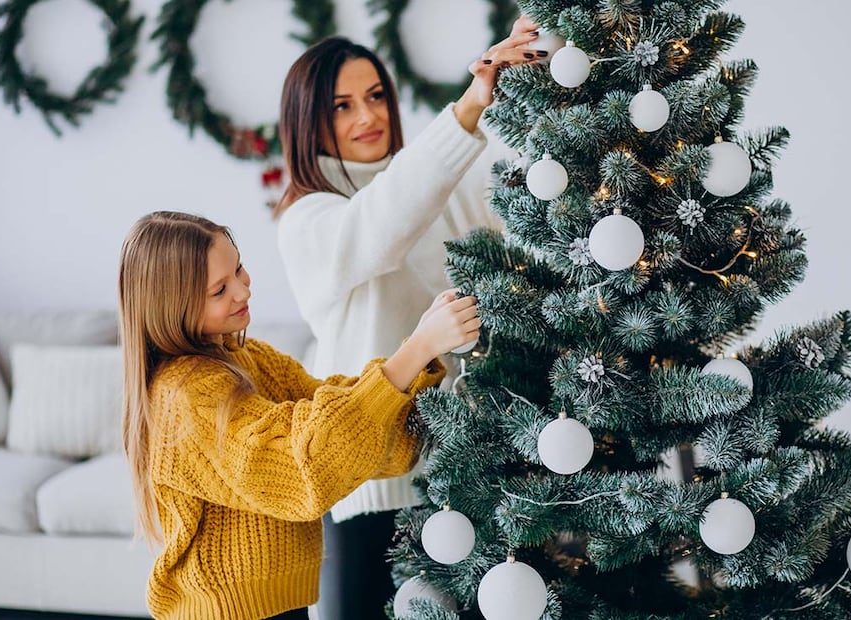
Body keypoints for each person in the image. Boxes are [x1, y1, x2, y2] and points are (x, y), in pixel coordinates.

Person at [271, 14, 543, 620]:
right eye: (341, 107)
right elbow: (383, 225)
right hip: (368, 485)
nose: (367, 117)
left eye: (375, 97)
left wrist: (530, 72)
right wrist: (468, 105)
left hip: (463, 466)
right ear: (307, 121)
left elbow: (515, 184)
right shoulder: (307, 220)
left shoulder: (433, 178)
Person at [118, 211, 480, 620]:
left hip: (281, 606)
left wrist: (419, 352)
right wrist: (414, 351)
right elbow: (300, 469)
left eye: (239, 269)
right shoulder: (184, 395)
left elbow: (338, 420)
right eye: (219, 289)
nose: (242, 290)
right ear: (172, 307)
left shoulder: (249, 356)